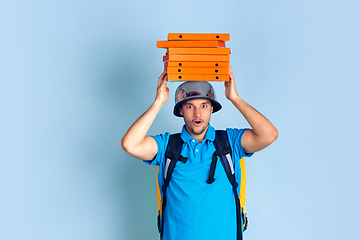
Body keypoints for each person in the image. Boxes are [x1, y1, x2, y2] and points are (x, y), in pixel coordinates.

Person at [121, 65, 278, 240]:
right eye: (190, 106)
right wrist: (158, 102)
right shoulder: (168, 145)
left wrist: (235, 98)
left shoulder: (229, 142)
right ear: (180, 111)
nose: (197, 113)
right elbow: (130, 144)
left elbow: (269, 134)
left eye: (204, 105)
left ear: (212, 108)